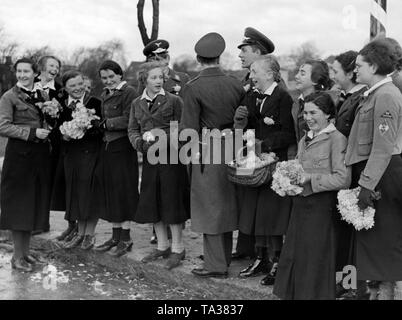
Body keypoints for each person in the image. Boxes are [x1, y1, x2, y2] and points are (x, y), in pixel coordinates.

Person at [273, 92, 351, 299]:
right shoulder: (304, 139)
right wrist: (286, 179)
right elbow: (298, 169)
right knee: (297, 257)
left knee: (315, 260)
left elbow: (343, 179)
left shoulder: (337, 139)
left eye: (313, 112)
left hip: (321, 210)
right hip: (300, 208)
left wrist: (310, 179)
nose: (307, 117)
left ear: (328, 115)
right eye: (305, 112)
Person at [181, 32, 245, 278]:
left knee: (209, 207)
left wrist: (189, 159)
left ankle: (215, 265)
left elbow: (188, 129)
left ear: (198, 58)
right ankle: (222, 258)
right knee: (226, 205)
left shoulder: (193, 87)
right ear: (219, 56)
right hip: (233, 147)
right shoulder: (235, 84)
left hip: (207, 150)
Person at [345, 39, 402, 300]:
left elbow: (382, 147)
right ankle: (374, 294)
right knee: (373, 244)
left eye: (359, 66)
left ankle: (386, 296)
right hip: (374, 174)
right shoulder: (375, 93)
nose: (355, 70)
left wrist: (367, 184)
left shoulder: (387, 95)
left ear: (375, 65)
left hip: (382, 176)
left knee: (383, 244)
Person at [234, 56, 296, 286]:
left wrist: (264, 144)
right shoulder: (251, 95)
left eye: (254, 72)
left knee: (272, 214)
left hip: (273, 165)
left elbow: (290, 134)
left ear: (270, 74)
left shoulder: (283, 98)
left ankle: (277, 260)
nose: (251, 76)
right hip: (252, 163)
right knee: (253, 210)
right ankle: (260, 258)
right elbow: (247, 125)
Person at [128, 61, 190, 270]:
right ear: (144, 80)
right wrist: (140, 144)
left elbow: (183, 128)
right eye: (153, 77)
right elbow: (132, 130)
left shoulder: (174, 101)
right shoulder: (137, 103)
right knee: (152, 200)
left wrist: (162, 137)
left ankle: (178, 249)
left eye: (160, 77)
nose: (158, 81)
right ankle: (162, 246)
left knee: (171, 201)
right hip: (150, 160)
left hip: (172, 159)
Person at [0, 58, 52, 271]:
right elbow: (3, 126)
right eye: (19, 71)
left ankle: (26, 254)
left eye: (26, 71)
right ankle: (16, 258)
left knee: (32, 205)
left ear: (35, 73)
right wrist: (32, 133)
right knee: (18, 207)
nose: (22, 75)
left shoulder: (43, 95)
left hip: (38, 157)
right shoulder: (9, 96)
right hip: (19, 157)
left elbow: (47, 119)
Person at [233, 26, 276, 261]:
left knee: (261, 202)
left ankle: (263, 253)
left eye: (245, 51)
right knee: (246, 199)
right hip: (247, 147)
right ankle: (245, 248)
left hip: (261, 149)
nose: (240, 55)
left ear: (258, 53)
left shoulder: (270, 84)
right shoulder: (246, 79)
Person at [93, 60, 139, 257]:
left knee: (124, 191)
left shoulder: (129, 92)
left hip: (123, 146)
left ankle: (126, 237)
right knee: (111, 191)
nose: (108, 81)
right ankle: (115, 236)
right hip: (108, 147)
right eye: (104, 78)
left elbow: (130, 118)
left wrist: (105, 124)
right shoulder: (105, 94)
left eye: (112, 76)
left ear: (120, 75)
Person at [57, 70, 102, 250]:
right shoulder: (61, 105)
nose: (76, 88)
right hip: (71, 155)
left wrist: (87, 126)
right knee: (75, 194)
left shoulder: (95, 102)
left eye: (79, 84)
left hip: (90, 154)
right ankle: (80, 233)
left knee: (89, 194)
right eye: (72, 86)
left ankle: (88, 235)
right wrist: (64, 135)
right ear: (65, 88)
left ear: (84, 83)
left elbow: (101, 130)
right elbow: (54, 130)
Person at [32, 55, 66, 236]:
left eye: (57, 67)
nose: (55, 69)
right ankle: (25, 219)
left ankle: (42, 222)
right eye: (52, 65)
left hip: (50, 143)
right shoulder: (29, 85)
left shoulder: (60, 91)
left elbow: (63, 117)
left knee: (45, 181)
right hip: (28, 139)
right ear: (42, 67)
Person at [332, 51, 367, 138]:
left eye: (335, 72)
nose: (333, 77)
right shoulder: (341, 96)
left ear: (350, 74)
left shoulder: (363, 99)